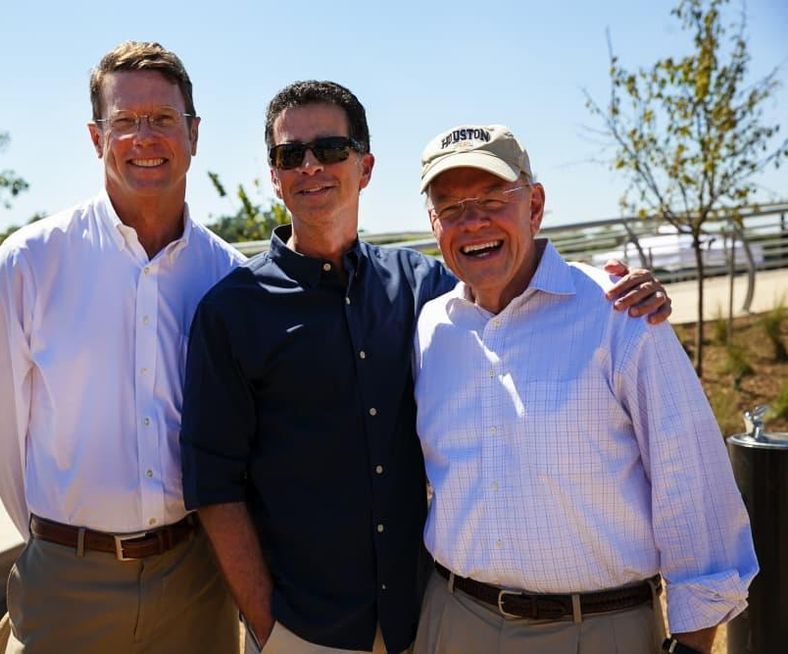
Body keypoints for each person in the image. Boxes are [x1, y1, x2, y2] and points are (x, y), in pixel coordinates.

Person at [179, 81, 672, 654]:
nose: (310, 165)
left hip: (427, 620)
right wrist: (267, 626)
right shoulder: (231, 310)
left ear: (364, 166)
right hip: (303, 628)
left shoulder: (426, 290)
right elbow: (214, 482)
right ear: (274, 175)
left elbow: (510, 277)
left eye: (331, 149)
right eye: (291, 154)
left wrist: (611, 286)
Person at [411, 123, 758, 654]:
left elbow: (693, 490)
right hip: (453, 621)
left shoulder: (620, 313)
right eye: (450, 207)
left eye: (491, 197)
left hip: (597, 629)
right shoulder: (432, 328)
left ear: (535, 204)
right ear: (434, 224)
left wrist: (692, 643)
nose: (473, 220)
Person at [0, 41, 242, 653]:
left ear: (194, 134)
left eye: (164, 119)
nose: (146, 136)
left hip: (198, 581)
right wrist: (65, 546)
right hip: (68, 585)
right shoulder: (28, 265)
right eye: (125, 121)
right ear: (96, 138)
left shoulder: (230, 276)